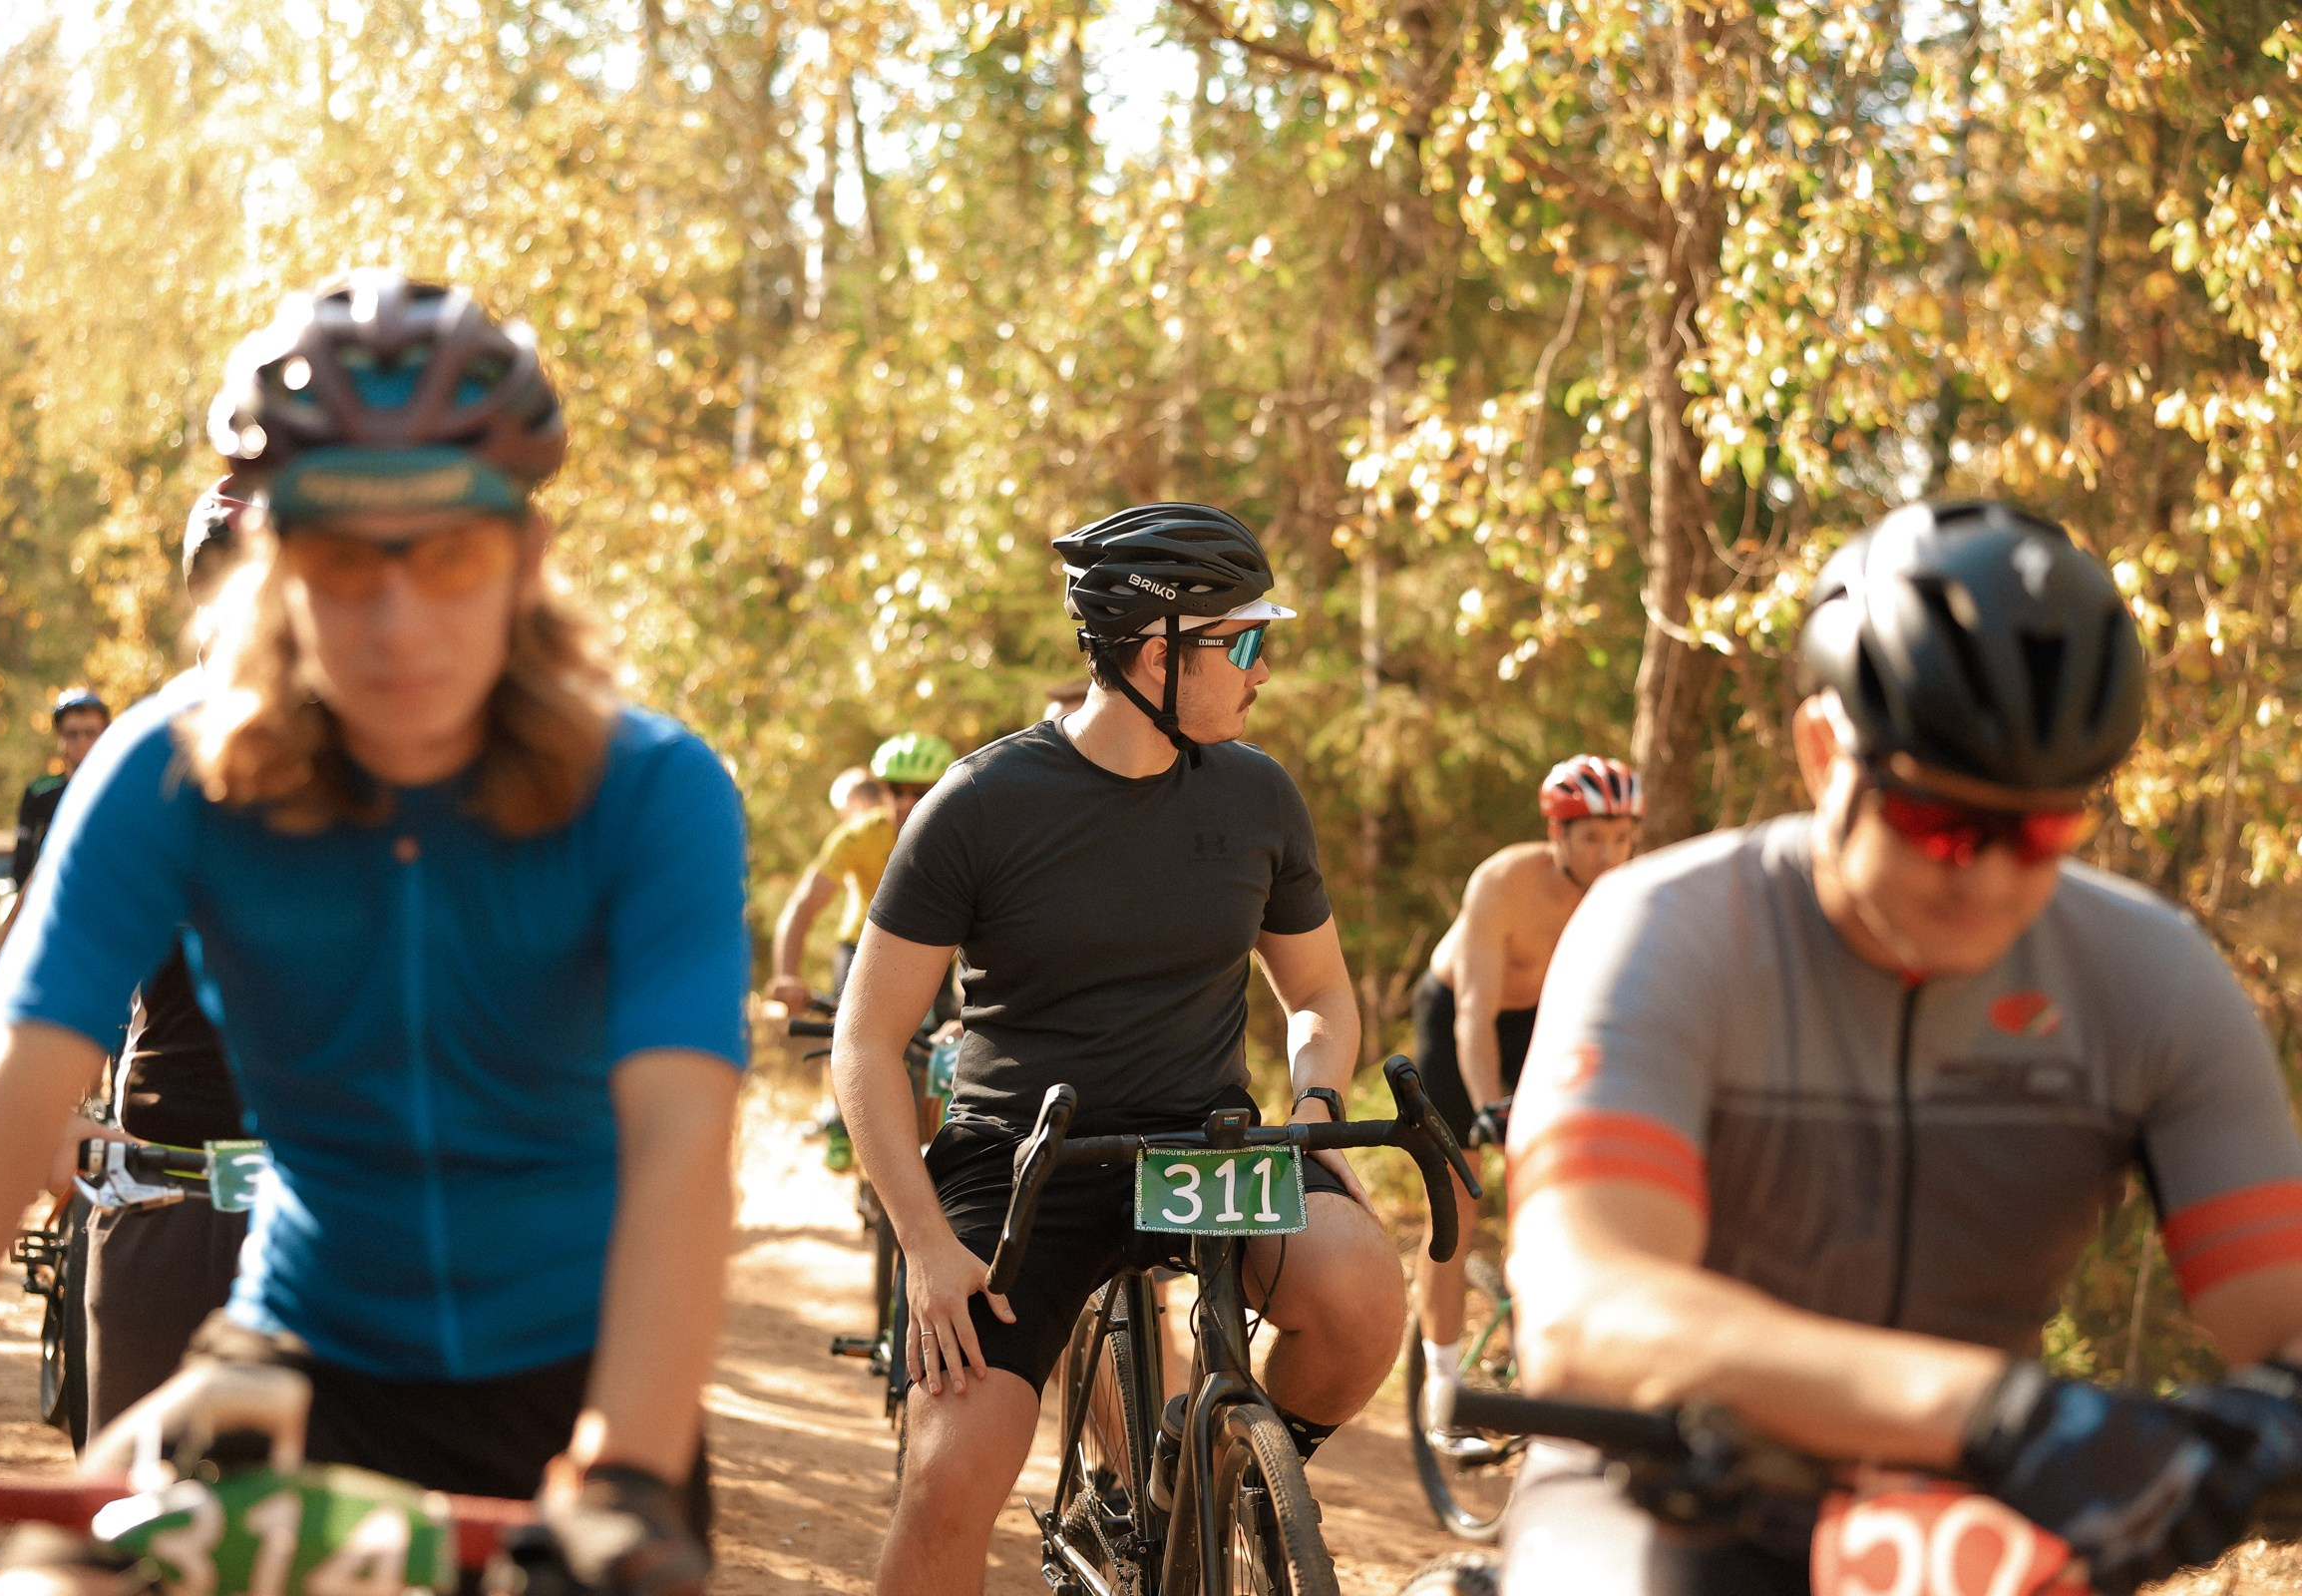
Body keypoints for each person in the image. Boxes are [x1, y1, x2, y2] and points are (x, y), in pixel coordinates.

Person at [0, 268, 746, 1594]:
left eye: (451, 557)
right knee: (46, 1582)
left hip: (585, 1386)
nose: (397, 621)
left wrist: (632, 1467)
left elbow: (685, 1149)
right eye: (343, 561)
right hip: (299, 1367)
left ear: (525, 561)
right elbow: (14, 1094)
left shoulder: (653, 789)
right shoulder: (166, 771)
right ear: (273, 565)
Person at [1483, 501, 2302, 1596]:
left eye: (2043, 830)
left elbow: (2283, 1303)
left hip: (1978, 1517)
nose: (1995, 876)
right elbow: (1586, 1312)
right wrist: (1990, 1409)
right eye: (1943, 825)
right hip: (1656, 1485)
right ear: (1825, 751)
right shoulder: (1665, 929)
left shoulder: (2150, 975)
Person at [833, 502, 1406, 1596]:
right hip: (1026, 1168)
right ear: (1158, 653)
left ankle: (1209, 1477)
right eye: (1243, 642)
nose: (1263, 670)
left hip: (1203, 1143)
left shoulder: (1258, 794)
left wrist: (1320, 1100)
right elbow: (865, 1037)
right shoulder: (979, 804)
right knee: (949, 1483)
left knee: (1364, 1300)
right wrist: (925, 1245)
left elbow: (1320, 986)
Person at [78, 482, 254, 1440]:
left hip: (345, 1221)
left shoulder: (400, 770)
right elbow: (31, 1017)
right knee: (124, 1528)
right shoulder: (148, 753)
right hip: (167, 1186)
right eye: (227, 577)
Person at [1409, 753, 1638, 1432]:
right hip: (1460, 1021)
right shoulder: (1504, 881)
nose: (1608, 854)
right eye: (1593, 838)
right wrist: (1489, 1104)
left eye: (1621, 839)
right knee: (1457, 1199)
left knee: (1556, 1195)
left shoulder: (1623, 895)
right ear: (1558, 834)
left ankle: (1546, 1361)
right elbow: (1473, 1012)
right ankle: (1443, 1387)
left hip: (1541, 1024)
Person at [770, 732, 956, 1170]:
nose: (906, 804)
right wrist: (786, 974)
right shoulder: (858, 837)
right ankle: (840, 1114)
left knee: (943, 1044)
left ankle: (948, 1135)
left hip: (933, 951)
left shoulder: (958, 837)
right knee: (847, 1028)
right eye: (896, 791)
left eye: (921, 792)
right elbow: (802, 907)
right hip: (861, 947)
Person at [9, 689, 112, 894]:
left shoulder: (120, 789)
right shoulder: (39, 792)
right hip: (55, 899)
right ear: (60, 737)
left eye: (90, 733)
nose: (81, 741)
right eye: (72, 734)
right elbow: (22, 860)